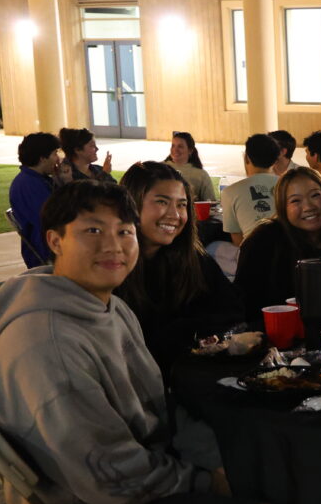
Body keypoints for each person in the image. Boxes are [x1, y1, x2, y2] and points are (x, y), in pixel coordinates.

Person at [0, 180, 286, 504]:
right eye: (93, 230)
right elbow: (109, 477)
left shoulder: (108, 306)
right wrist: (207, 480)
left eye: (124, 231)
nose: (113, 245)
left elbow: (159, 410)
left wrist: (217, 462)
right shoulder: (48, 344)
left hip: (132, 483)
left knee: (278, 473)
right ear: (55, 241)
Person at [115, 162, 243, 369]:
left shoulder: (193, 259)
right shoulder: (110, 268)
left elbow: (232, 314)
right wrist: (188, 332)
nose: (174, 215)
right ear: (132, 204)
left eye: (181, 205)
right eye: (162, 202)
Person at [235, 166, 321, 320]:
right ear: (283, 208)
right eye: (295, 200)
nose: (308, 207)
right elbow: (243, 302)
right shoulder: (265, 240)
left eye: (315, 195)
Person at [9, 132, 62, 268]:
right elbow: (52, 219)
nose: (58, 159)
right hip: (46, 251)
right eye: (55, 154)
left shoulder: (40, 179)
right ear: (43, 158)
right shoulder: (29, 185)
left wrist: (63, 181)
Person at [221, 133, 280, 245]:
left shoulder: (229, 192)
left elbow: (237, 239)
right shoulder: (288, 184)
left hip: (252, 252)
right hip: (289, 250)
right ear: (275, 161)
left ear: (247, 158)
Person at [165, 131, 218, 202]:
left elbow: (210, 202)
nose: (175, 149)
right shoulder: (159, 169)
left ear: (190, 150)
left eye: (180, 146)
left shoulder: (201, 175)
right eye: (173, 146)